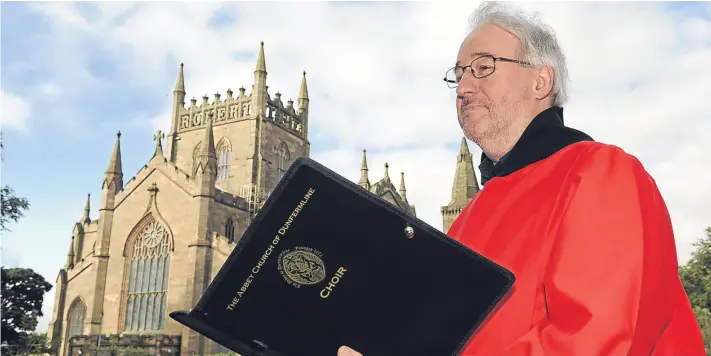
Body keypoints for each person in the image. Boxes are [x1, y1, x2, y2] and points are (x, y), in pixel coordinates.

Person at [338, 2, 706, 356]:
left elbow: (596, 341)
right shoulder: (465, 220)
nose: (464, 87)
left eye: (483, 67)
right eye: (459, 74)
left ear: (541, 80)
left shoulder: (599, 171)